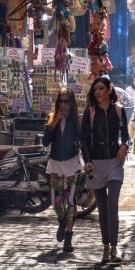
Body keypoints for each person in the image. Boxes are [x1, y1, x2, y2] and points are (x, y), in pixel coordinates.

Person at [81, 77, 130, 263]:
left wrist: (125, 145)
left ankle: (115, 248)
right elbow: (84, 140)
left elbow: (126, 133)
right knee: (102, 208)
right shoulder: (90, 112)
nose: (98, 92)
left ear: (109, 90)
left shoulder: (118, 111)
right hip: (96, 164)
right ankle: (106, 247)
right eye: (95, 90)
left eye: (101, 88)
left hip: (114, 162)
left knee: (112, 203)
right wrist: (87, 161)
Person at [41, 86, 83, 253]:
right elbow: (45, 142)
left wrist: (88, 160)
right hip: (56, 164)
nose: (63, 105)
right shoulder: (52, 119)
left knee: (71, 201)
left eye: (66, 101)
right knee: (56, 201)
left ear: (71, 103)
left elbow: (82, 141)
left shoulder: (76, 121)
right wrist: (55, 122)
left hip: (72, 164)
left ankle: (69, 237)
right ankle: (63, 220)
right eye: (61, 101)